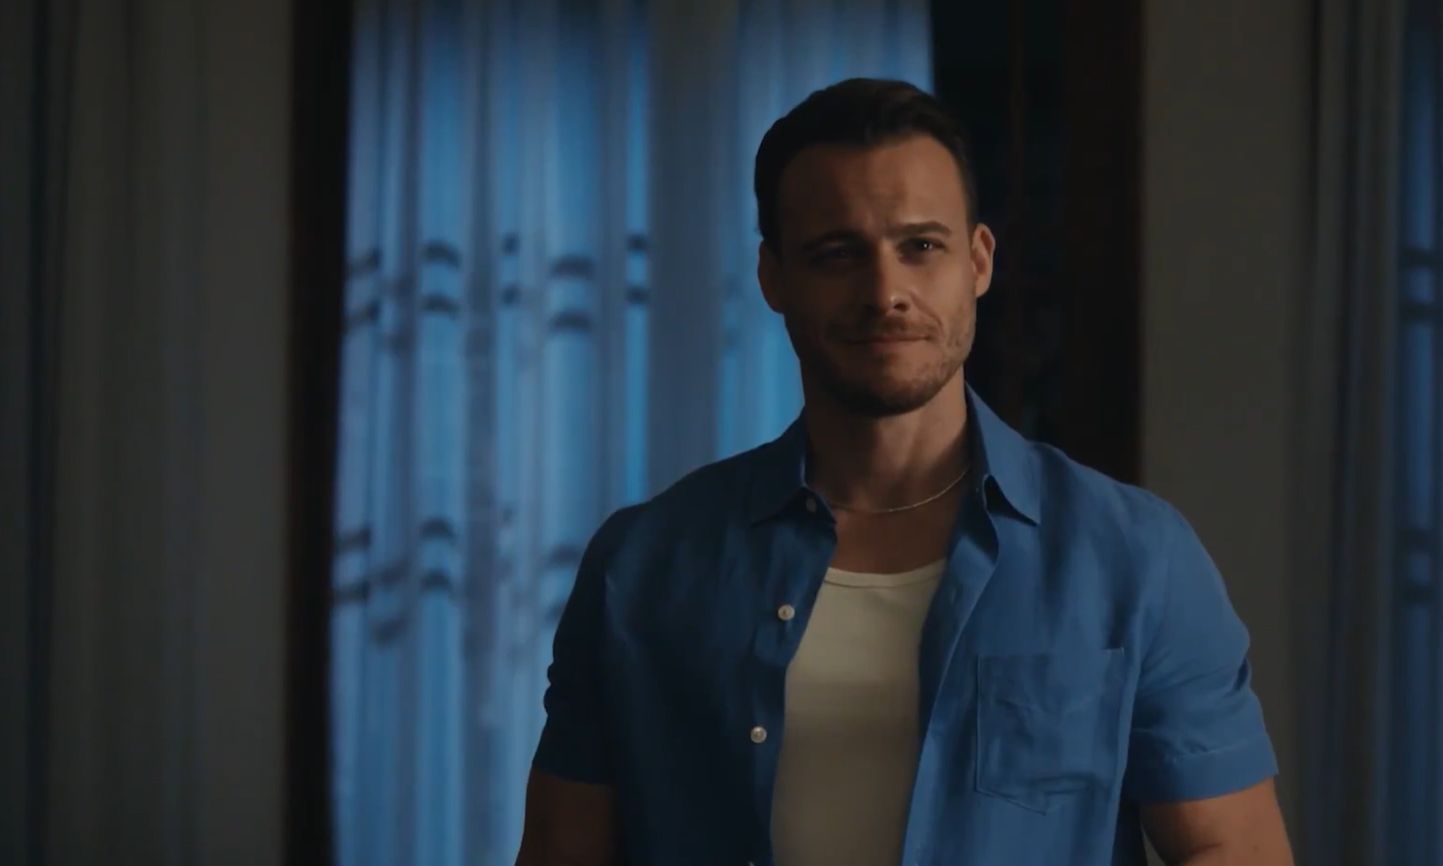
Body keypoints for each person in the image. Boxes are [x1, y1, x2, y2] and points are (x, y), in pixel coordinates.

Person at [515, 77, 1293, 866]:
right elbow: (558, 852)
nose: (884, 292)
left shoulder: (1132, 556)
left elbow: (1236, 849)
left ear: (977, 261)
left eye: (920, 247)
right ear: (772, 278)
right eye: (835, 254)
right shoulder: (643, 564)